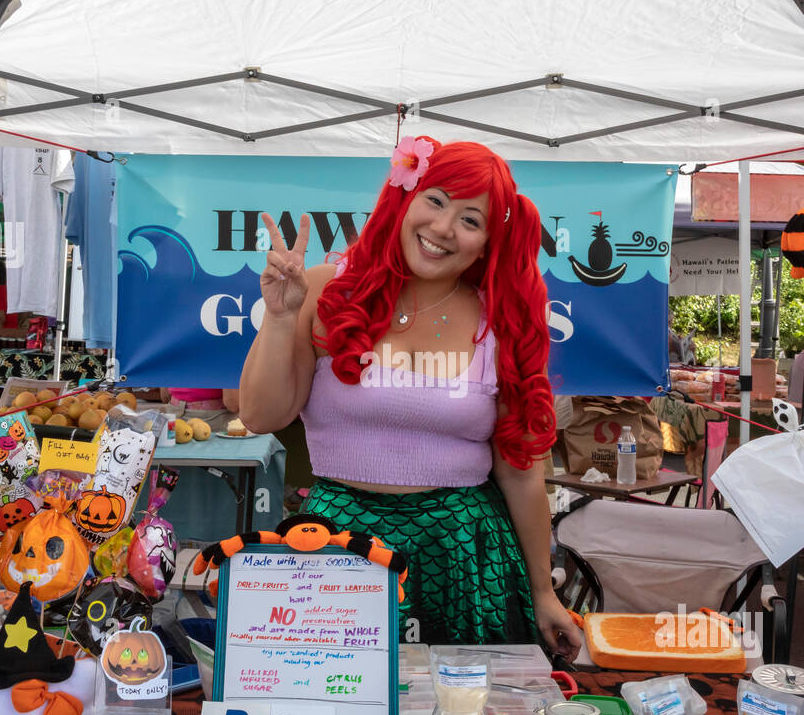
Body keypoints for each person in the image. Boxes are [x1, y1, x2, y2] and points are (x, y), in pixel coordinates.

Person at [240, 137, 583, 655]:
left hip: (465, 553)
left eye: (471, 220)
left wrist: (542, 593)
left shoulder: (500, 321)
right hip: (340, 542)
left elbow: (521, 473)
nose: (444, 228)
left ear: (488, 243)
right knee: (336, 713)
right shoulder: (325, 289)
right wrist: (283, 317)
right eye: (436, 200)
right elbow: (262, 413)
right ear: (405, 199)